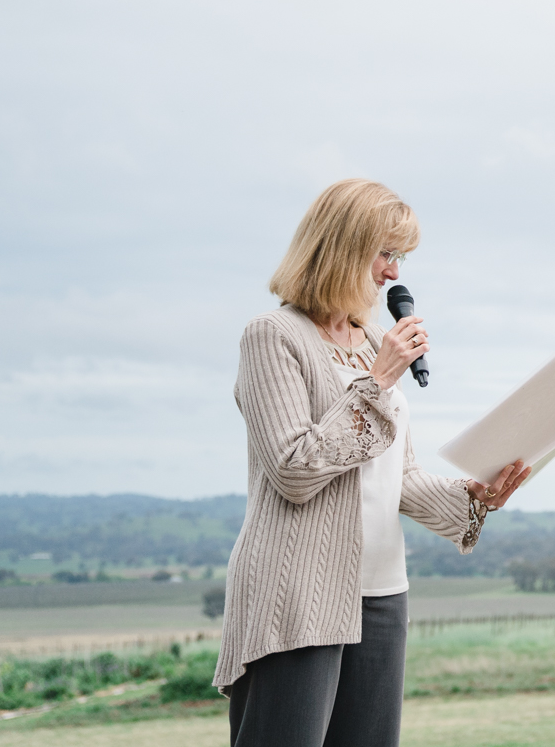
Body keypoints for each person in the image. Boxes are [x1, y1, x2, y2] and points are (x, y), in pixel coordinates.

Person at [213, 178, 534, 747]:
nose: (393, 273)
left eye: (400, 257)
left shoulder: (369, 342)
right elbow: (294, 468)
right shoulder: (273, 336)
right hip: (299, 590)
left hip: (383, 592)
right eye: (385, 254)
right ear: (340, 247)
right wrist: (379, 380)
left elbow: (397, 476)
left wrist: (473, 496)